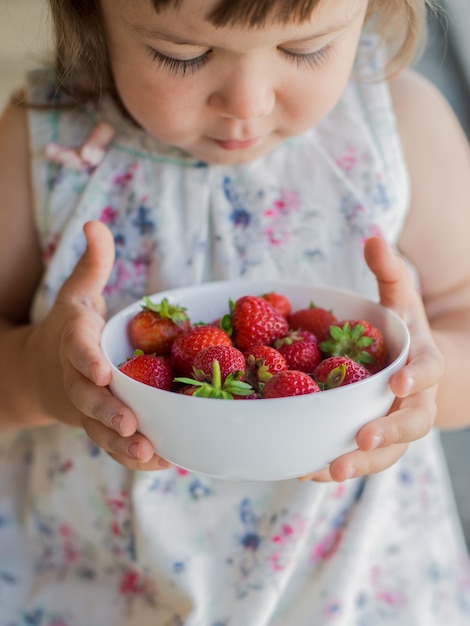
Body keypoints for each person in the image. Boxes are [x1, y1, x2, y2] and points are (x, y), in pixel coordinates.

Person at [1, 0, 470, 623]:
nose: (247, 103)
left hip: (353, 590)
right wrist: (41, 374)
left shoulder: (402, 126)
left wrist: (421, 385)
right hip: (103, 588)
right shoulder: (42, 145)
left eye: (305, 48)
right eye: (182, 54)